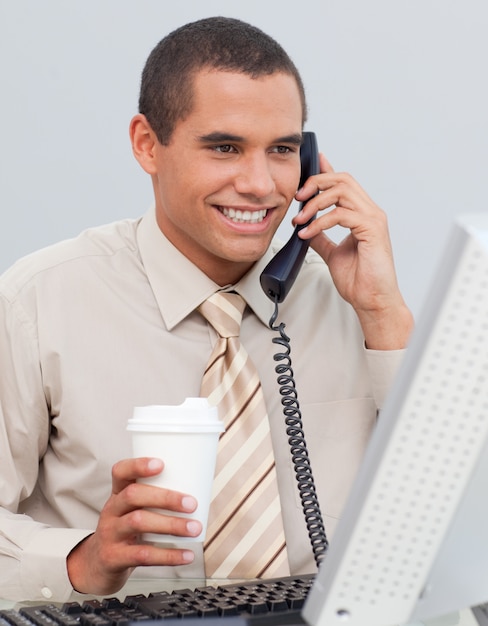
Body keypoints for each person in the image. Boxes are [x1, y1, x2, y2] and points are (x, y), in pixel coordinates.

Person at [0, 16, 413, 602]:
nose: (260, 183)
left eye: (283, 150)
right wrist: (79, 561)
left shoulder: (353, 299)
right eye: (225, 147)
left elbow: (456, 509)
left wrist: (384, 314)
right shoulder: (36, 302)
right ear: (148, 144)